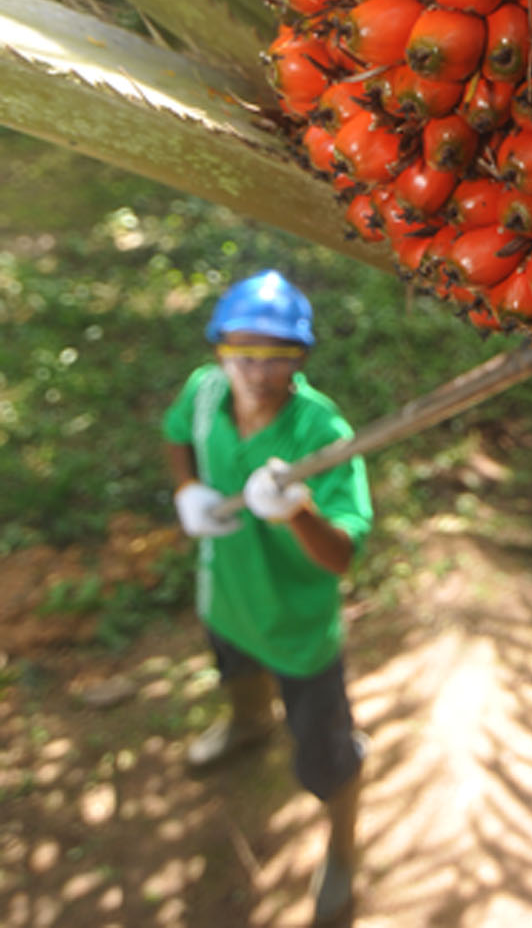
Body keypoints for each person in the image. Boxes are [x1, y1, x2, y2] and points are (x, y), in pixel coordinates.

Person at [163, 269, 372, 927]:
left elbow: (341, 555)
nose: (257, 370)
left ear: (300, 359)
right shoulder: (203, 394)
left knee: (327, 759)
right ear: (219, 350)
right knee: (236, 670)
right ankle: (248, 724)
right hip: (226, 595)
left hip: (297, 626)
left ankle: (341, 851)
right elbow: (176, 438)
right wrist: (186, 491)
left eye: (278, 357)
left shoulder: (321, 431)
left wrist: (298, 513)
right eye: (242, 353)